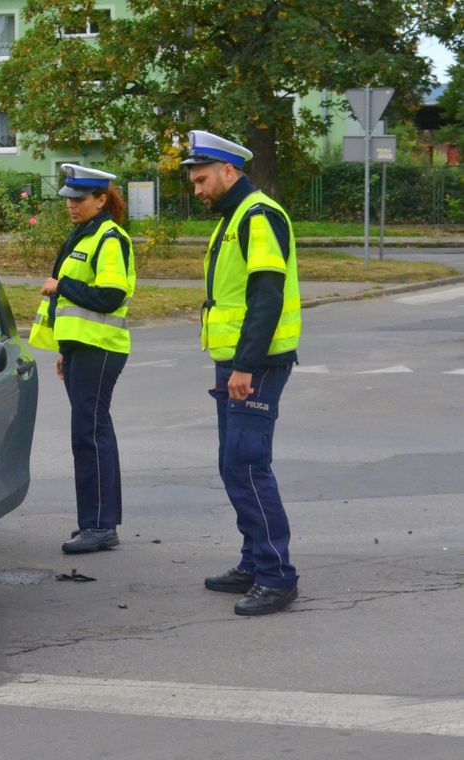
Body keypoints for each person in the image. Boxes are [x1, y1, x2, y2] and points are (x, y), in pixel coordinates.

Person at [182, 130, 302, 615]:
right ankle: (255, 562)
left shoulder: (258, 216)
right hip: (235, 362)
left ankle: (277, 576)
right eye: (194, 181)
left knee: (248, 465)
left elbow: (267, 296)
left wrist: (246, 366)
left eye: (203, 178)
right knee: (234, 465)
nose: (198, 189)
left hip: (258, 364)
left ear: (229, 171)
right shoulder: (234, 219)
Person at [30, 164, 135, 554]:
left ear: (101, 199)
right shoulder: (85, 234)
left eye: (79, 199)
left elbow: (111, 295)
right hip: (84, 349)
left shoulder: (109, 237)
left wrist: (63, 285)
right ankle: (95, 523)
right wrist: (66, 349)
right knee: (90, 434)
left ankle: (100, 526)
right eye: (69, 200)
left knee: (90, 436)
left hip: (101, 348)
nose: (71, 206)